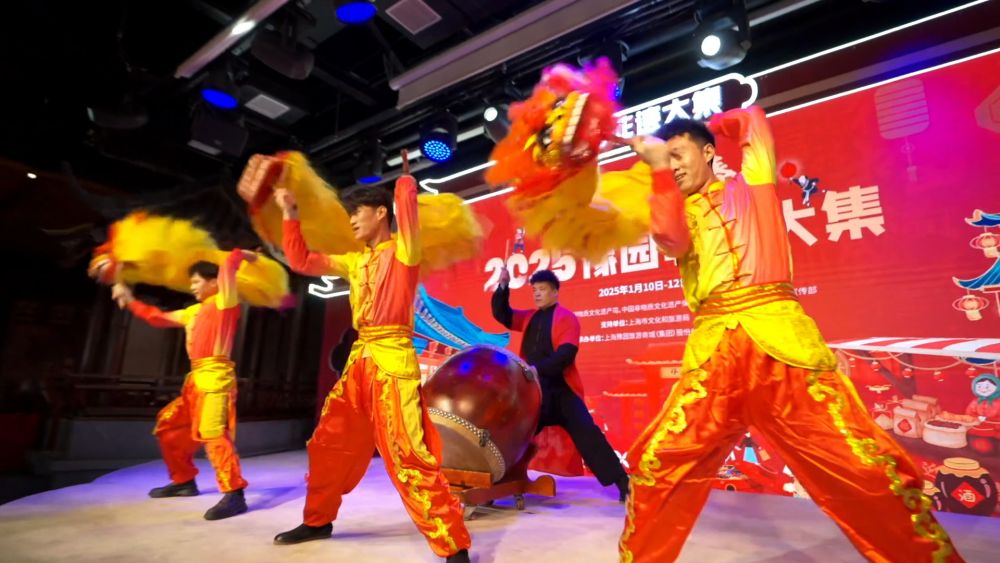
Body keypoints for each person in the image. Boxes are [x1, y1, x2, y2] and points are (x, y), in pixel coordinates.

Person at [618, 106, 963, 562]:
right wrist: (659, 168)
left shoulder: (752, 187)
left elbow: (754, 122)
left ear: (708, 152)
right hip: (713, 359)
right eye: (667, 160)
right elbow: (670, 237)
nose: (674, 166)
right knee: (658, 466)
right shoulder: (676, 211)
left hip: (783, 349)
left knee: (864, 468)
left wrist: (712, 124)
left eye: (679, 154)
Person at [269, 163, 471, 563]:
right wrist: (290, 215)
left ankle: (453, 544)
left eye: (356, 212)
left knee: (407, 453)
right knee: (329, 444)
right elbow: (302, 261)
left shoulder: (404, 251)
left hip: (392, 362)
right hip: (359, 362)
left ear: (381, 212)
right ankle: (317, 520)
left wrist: (404, 183)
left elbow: (407, 217)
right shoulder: (354, 261)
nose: (351, 221)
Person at [112, 249, 255, 521]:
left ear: (213, 282)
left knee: (213, 433)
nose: (192, 286)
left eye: (196, 281)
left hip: (216, 378)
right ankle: (184, 481)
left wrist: (241, 255)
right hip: (196, 380)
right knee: (169, 426)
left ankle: (235, 493)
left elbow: (228, 267)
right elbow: (157, 317)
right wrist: (129, 299)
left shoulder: (225, 302)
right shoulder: (192, 312)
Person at [492, 268, 629, 501]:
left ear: (555, 292)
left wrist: (537, 369)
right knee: (514, 434)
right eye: (535, 290)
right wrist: (503, 286)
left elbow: (566, 354)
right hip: (536, 394)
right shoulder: (529, 317)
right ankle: (494, 481)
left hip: (562, 391)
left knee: (588, 434)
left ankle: (623, 482)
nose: (537, 294)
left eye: (542, 289)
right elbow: (503, 314)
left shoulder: (566, 318)